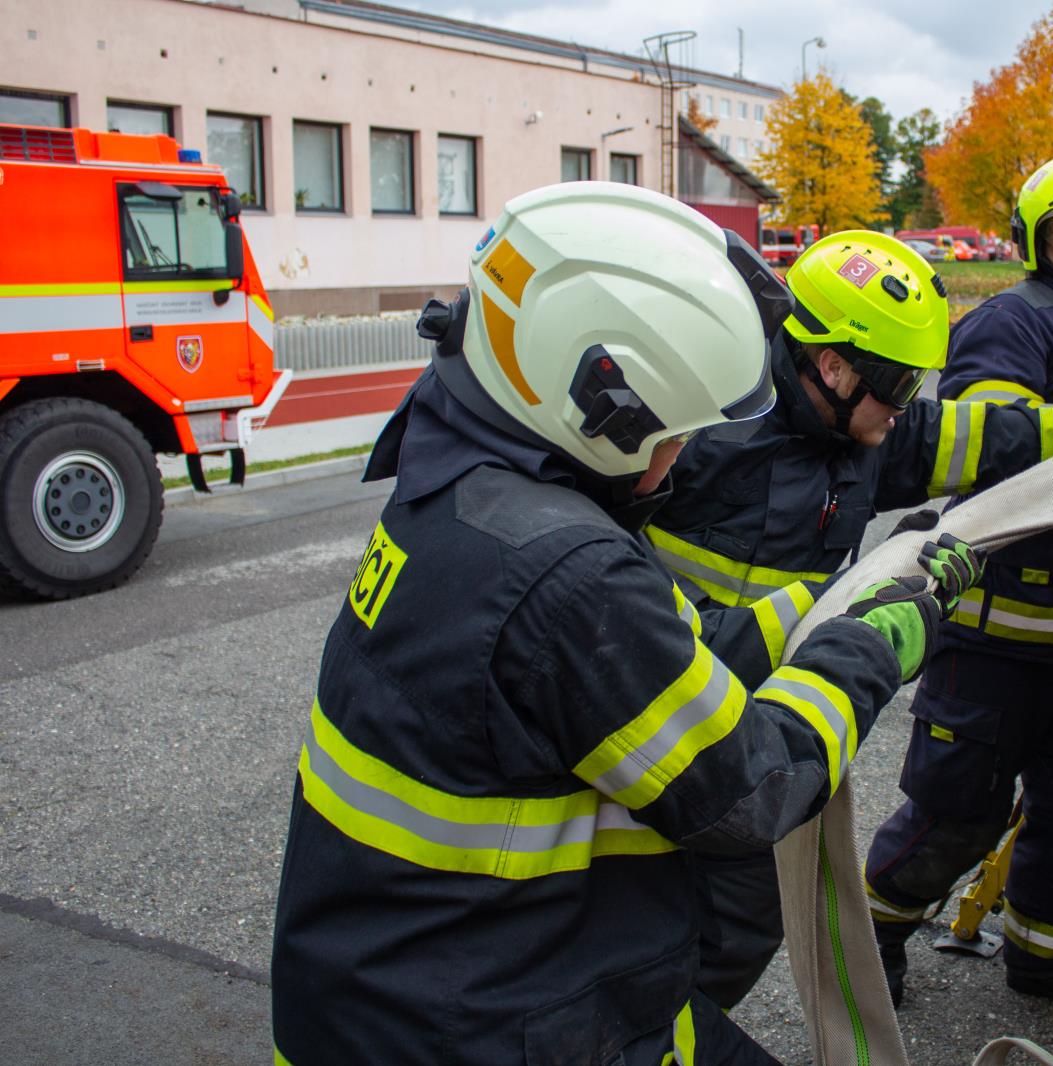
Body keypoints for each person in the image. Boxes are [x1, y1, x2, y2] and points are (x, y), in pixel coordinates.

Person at [268, 183, 983, 1066]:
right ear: (595, 398)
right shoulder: (569, 573)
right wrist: (872, 645)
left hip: (401, 989)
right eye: (674, 432)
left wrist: (841, 595)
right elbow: (750, 786)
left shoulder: (475, 474)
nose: (682, 460)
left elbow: (675, 659)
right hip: (492, 1024)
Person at [644, 228, 1053, 1010]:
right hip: (658, 723)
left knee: (744, 922)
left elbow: (988, 438)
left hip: (757, 736)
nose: (905, 410)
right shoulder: (697, 438)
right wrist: (865, 590)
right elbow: (630, 620)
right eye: (898, 387)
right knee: (656, 926)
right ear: (832, 366)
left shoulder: (861, 427)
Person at [863, 145, 1053, 1024]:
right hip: (998, 637)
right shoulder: (1014, 323)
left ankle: (1045, 961)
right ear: (1039, 238)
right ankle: (873, 937)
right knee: (954, 814)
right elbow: (997, 438)